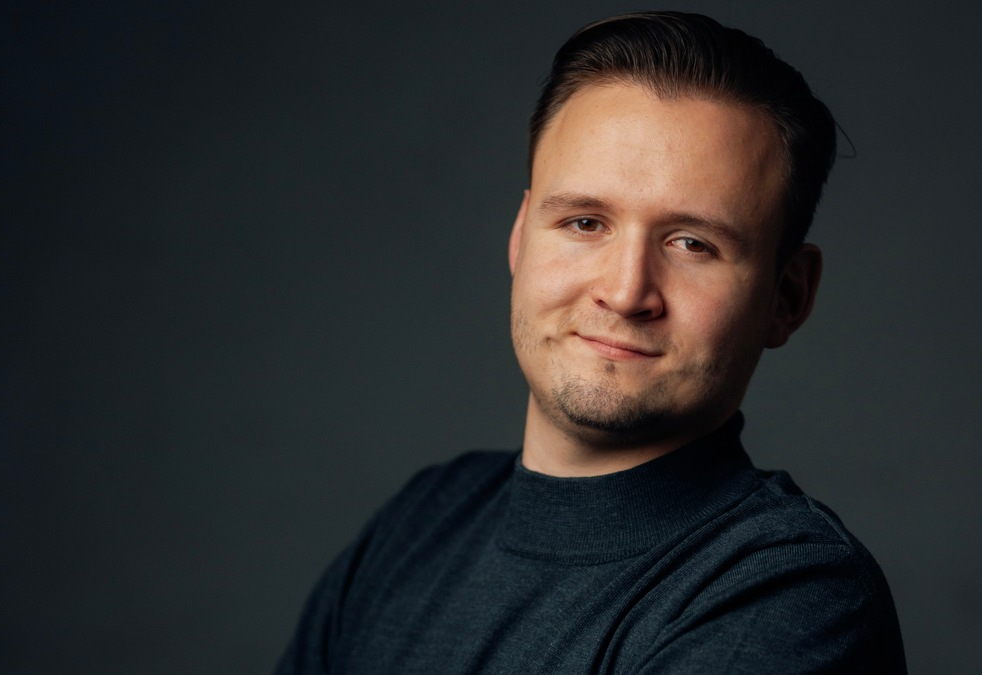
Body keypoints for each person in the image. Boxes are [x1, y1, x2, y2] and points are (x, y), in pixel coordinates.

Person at [275, 11, 905, 674]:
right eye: (584, 222)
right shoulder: (421, 521)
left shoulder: (792, 597)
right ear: (521, 235)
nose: (626, 290)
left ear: (788, 297)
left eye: (693, 243)